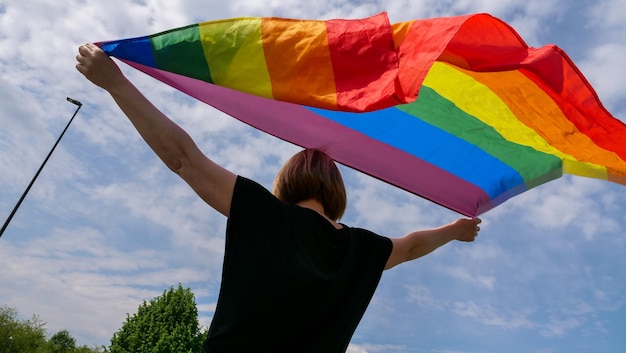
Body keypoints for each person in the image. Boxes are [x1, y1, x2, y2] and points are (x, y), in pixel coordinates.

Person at [76, 43, 481, 353]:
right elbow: (410, 247)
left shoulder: (262, 212)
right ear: (336, 191)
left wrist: (115, 83)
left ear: (285, 182)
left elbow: (183, 159)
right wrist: (453, 230)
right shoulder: (363, 250)